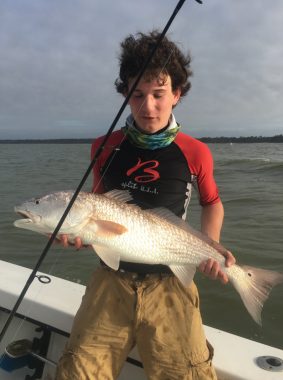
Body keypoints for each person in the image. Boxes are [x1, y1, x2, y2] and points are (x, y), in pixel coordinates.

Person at [56, 30, 235, 380]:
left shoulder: (195, 151)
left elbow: (212, 203)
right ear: (125, 95)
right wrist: (73, 231)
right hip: (111, 278)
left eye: (158, 94)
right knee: (77, 373)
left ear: (177, 95)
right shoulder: (103, 146)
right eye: (137, 94)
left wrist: (210, 243)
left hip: (172, 281)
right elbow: (95, 203)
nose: (147, 106)